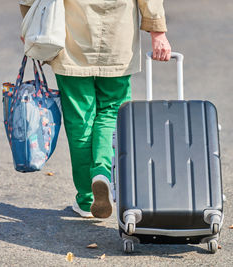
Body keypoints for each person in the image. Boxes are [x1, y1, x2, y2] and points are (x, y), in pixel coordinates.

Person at [19, 0, 171, 218]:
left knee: (79, 121)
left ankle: (86, 198)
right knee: (111, 111)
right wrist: (157, 31)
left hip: (71, 38)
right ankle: (102, 171)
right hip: (118, 40)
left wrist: (29, 21)